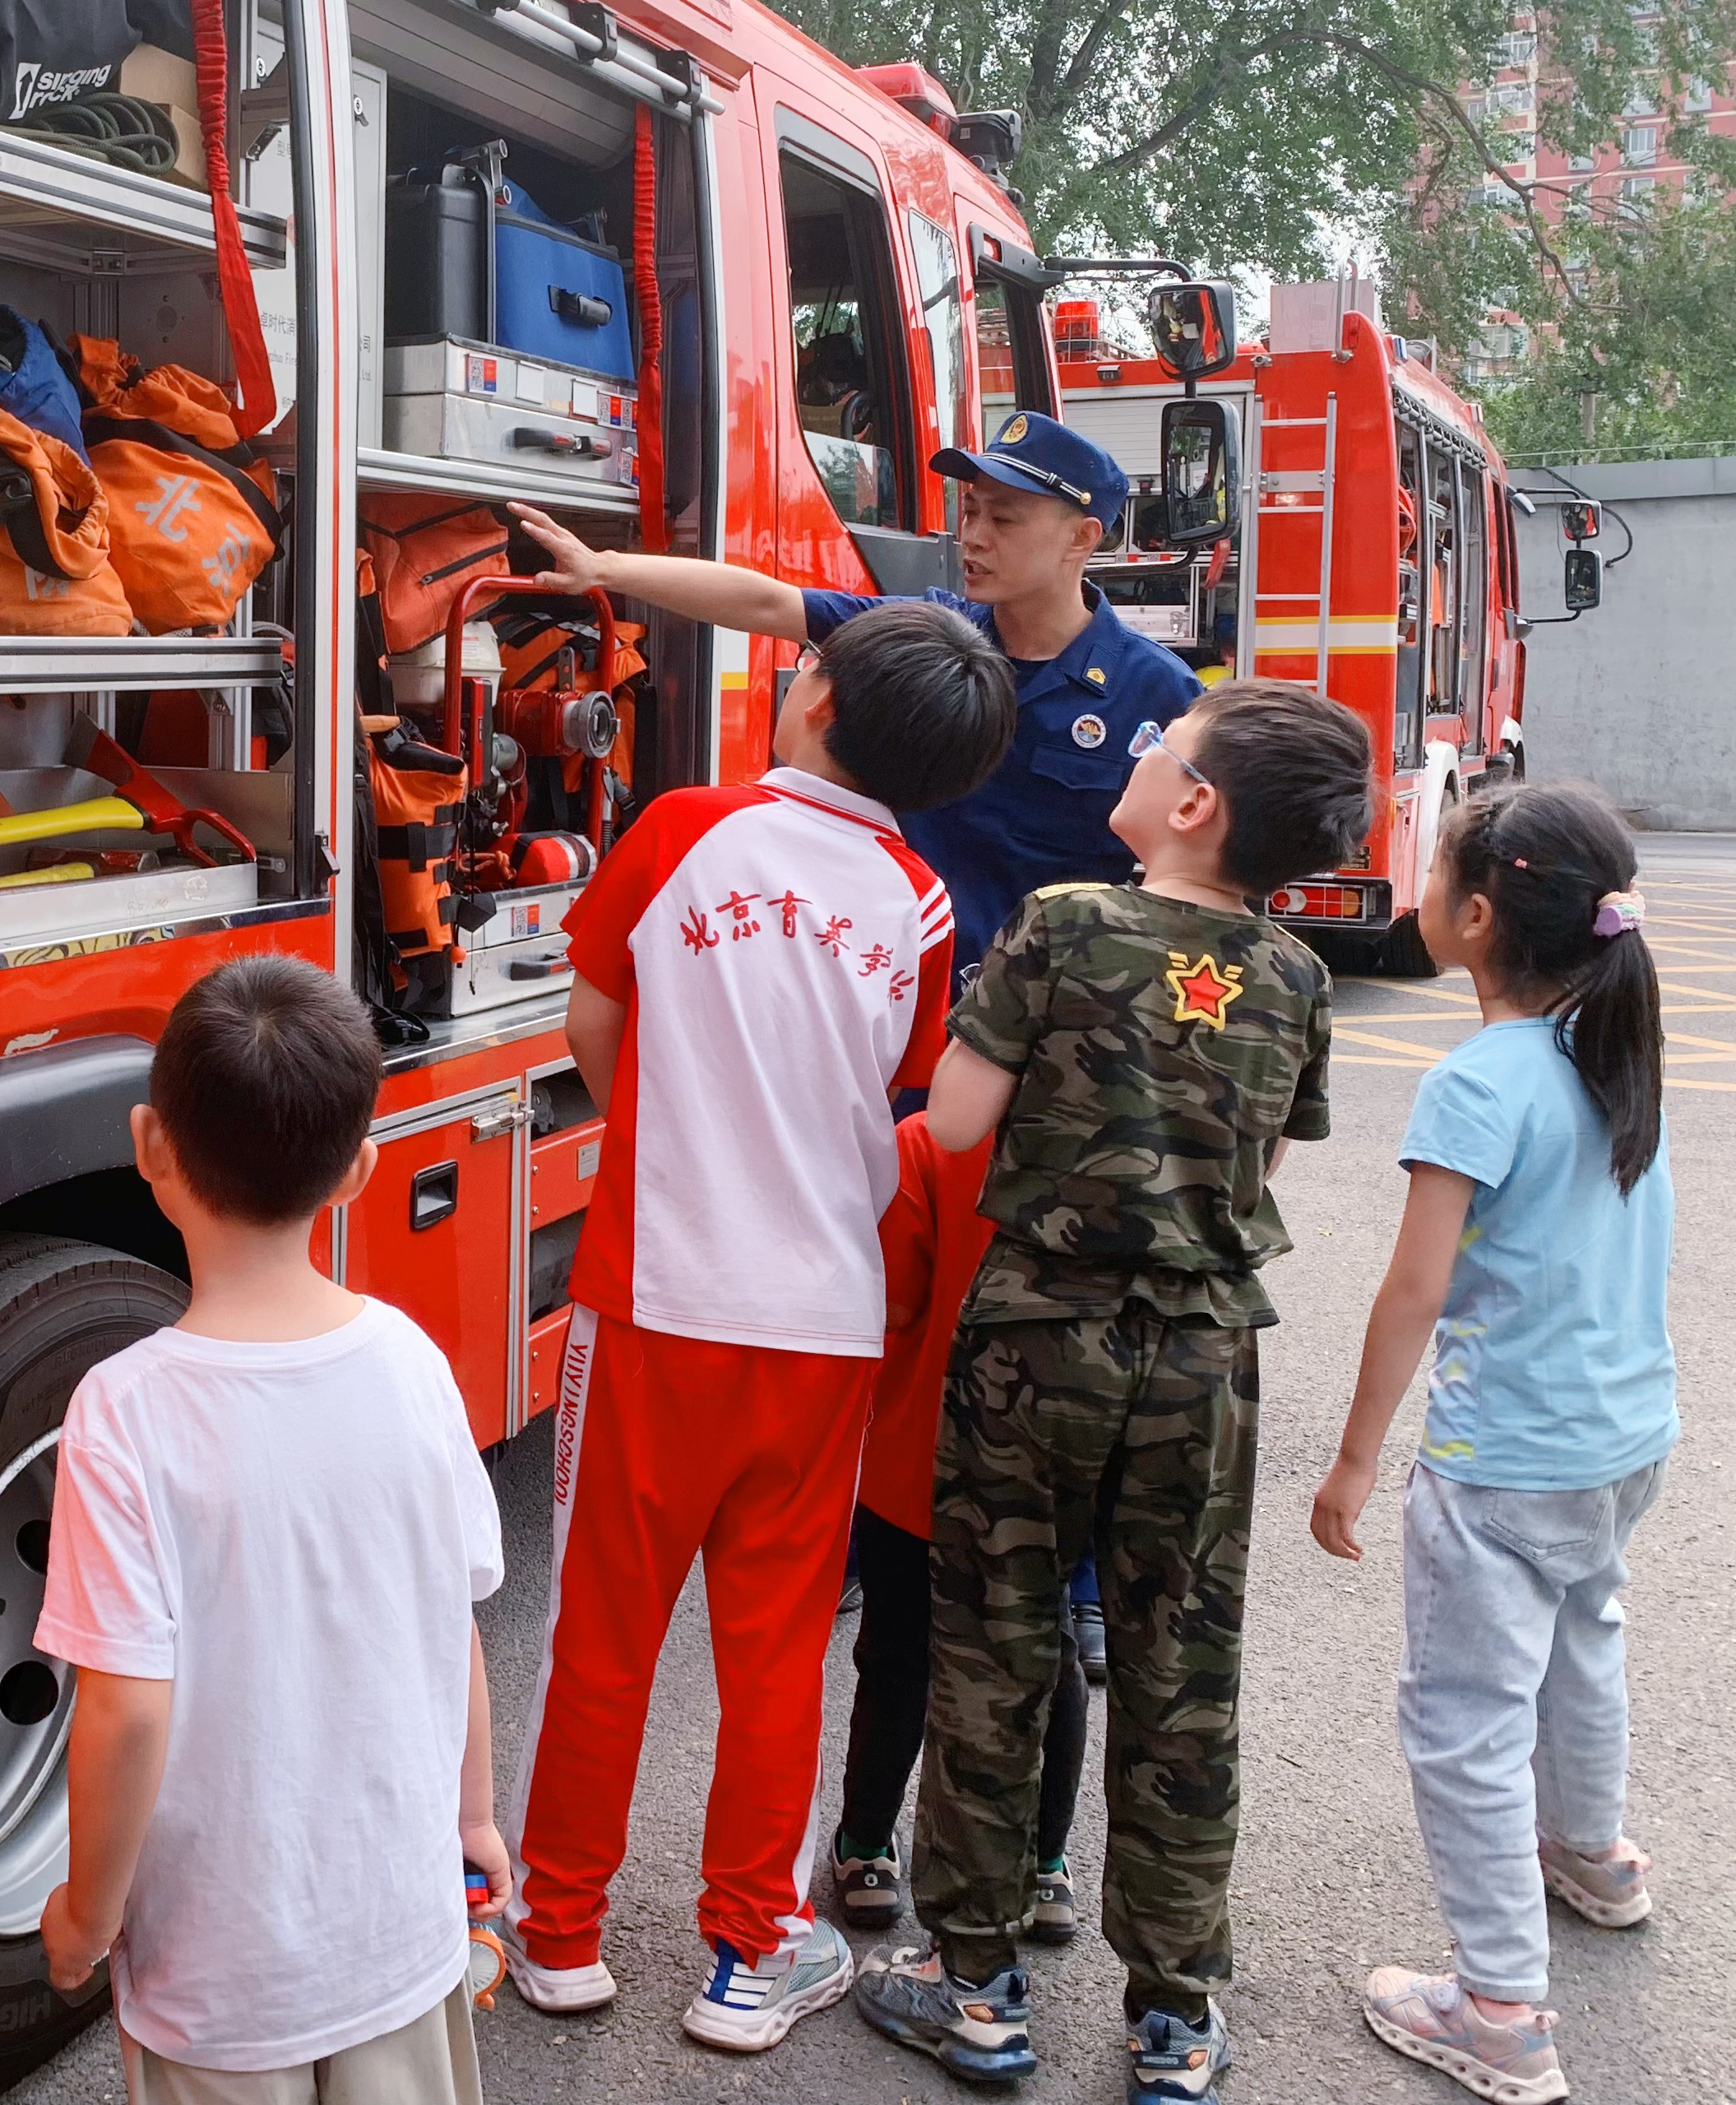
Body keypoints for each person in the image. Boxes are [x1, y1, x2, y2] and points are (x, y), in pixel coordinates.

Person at [501, 601, 1016, 2052]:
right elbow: (906, 1083)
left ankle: (559, 1930)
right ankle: (747, 1947)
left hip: (652, 1297)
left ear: (814, 701)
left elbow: (591, 1021)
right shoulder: (918, 898)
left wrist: (673, 1134)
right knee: (776, 1646)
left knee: (603, 1626)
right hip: (822, 1324)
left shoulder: (681, 829)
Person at [859, 683, 1373, 2103]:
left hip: (1036, 1338)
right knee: (1179, 1670)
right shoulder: (1294, 974)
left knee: (993, 1647)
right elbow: (1256, 1169)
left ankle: (973, 1987)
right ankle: (1175, 2013)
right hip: (1204, 1355)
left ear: (1192, 803)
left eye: (1164, 747)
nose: (1143, 753)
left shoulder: (1061, 922)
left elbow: (951, 1122)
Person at [34, 956, 507, 2103]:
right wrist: (474, 1816)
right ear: (358, 1170)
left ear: (149, 1144)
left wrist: (87, 1915)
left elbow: (125, 1707)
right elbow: (450, 1617)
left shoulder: (123, 1410)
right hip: (402, 1941)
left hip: (222, 1981)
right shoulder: (411, 1362)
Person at [1312, 783, 1675, 2105]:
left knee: (1462, 1715)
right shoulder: (1611, 1043)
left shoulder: (1476, 1079)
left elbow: (1413, 1289)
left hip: (1507, 1453)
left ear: (1472, 919)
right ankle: (1591, 1849)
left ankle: (1501, 2007)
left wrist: (1355, 1455)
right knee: (1583, 1635)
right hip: (1622, 1433)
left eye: (1430, 872)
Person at [513, 406, 1206, 972]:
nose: (972, 537)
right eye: (969, 511)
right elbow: (770, 603)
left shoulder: (1157, 693)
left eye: (1003, 519)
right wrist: (605, 569)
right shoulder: (929, 635)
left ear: (1082, 538)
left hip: (1040, 1025)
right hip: (888, 987)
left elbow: (1189, 883)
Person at [835, 1118, 1090, 1948]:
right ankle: (1044, 1866)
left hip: (921, 1457)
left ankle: (866, 1846)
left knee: (898, 1657)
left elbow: (896, 1302)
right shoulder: (1104, 1136)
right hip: (1056, 1467)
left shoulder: (929, 1142)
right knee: (1049, 1656)